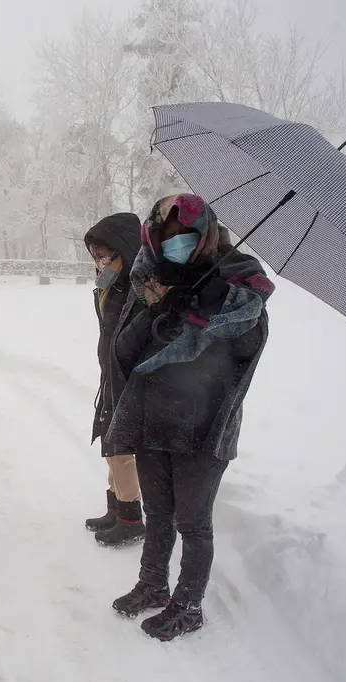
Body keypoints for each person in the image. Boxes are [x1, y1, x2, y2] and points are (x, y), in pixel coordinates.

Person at [105, 193, 274, 641]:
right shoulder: (148, 280)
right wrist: (163, 308)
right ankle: (153, 584)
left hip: (202, 426)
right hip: (152, 418)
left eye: (187, 236)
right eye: (168, 238)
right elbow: (123, 352)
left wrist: (212, 310)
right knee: (158, 513)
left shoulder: (241, 288)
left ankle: (188, 604)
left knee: (193, 522)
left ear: (207, 235)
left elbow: (244, 355)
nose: (176, 244)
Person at [82, 213, 147, 548]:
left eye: (105, 253)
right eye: (95, 254)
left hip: (129, 376)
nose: (99, 260)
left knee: (121, 447)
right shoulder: (112, 282)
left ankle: (131, 519)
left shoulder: (138, 287)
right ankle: (115, 508)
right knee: (111, 441)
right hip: (111, 372)